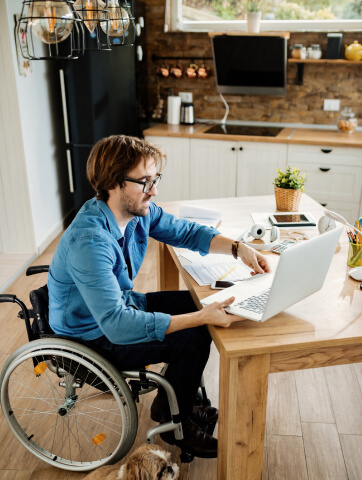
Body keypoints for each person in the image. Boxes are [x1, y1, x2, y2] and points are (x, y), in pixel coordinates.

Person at [48, 135, 271, 459]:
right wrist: (200, 318)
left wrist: (239, 248)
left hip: (119, 308)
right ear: (114, 183)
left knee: (198, 309)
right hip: (92, 336)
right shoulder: (90, 241)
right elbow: (117, 326)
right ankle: (177, 425)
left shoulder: (137, 212)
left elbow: (187, 232)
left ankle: (171, 403)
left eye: (155, 179)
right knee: (194, 335)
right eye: (144, 182)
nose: (154, 190)